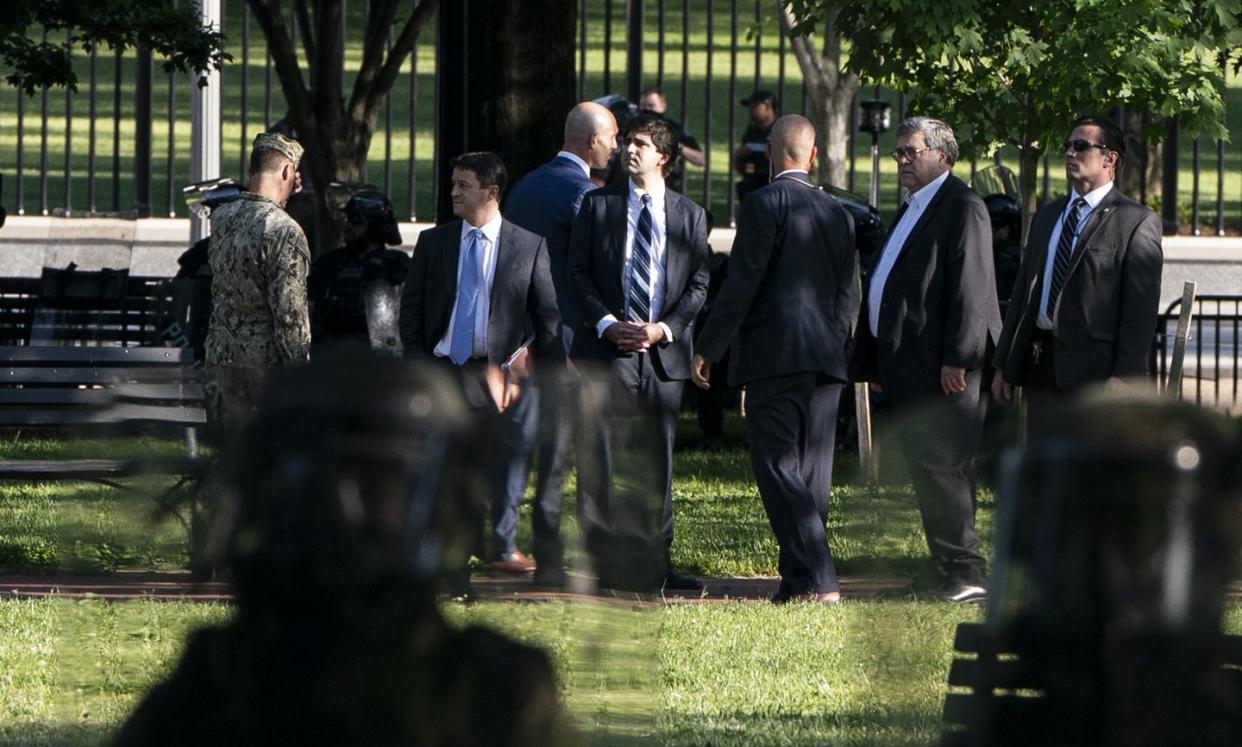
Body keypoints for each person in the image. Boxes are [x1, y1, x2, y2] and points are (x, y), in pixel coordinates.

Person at [113, 353, 580, 746]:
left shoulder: (498, 694)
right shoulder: (492, 694)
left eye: (376, 488)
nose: (341, 512)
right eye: (311, 486)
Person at [691, 115, 856, 605]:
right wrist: (840, 346)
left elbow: (742, 285)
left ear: (770, 155)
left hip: (775, 355)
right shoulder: (838, 212)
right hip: (826, 356)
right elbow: (849, 292)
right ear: (813, 155)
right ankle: (798, 580)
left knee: (778, 466)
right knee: (813, 473)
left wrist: (709, 347)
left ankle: (821, 577)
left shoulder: (764, 204)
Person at [848, 116, 1001, 604]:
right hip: (909, 365)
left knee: (945, 468)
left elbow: (971, 290)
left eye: (911, 151)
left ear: (943, 155)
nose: (902, 160)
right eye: (899, 153)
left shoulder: (962, 206)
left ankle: (966, 570)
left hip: (945, 369)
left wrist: (960, 357)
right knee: (926, 470)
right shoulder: (916, 206)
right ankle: (943, 566)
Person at [399, 151, 564, 574]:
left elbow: (547, 318)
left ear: (491, 192)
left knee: (506, 466)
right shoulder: (435, 243)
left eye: (463, 185)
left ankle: (500, 547)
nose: (453, 192)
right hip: (444, 371)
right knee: (445, 466)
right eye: (453, 184)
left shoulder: (528, 246)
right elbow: (412, 312)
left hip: (500, 376)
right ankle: (449, 554)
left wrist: (547, 375)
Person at [568, 113, 710, 592]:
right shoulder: (597, 205)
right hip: (610, 352)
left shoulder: (689, 215)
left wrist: (662, 330)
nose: (629, 150)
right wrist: (608, 325)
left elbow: (699, 283)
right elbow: (578, 273)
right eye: (627, 141)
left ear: (664, 157)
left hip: (662, 358)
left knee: (657, 463)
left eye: (642, 144)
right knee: (602, 458)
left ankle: (656, 562)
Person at [501, 102, 618, 586]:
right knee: (582, 457)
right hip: (573, 344)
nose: (616, 144)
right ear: (590, 141)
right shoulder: (582, 194)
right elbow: (598, 268)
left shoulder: (525, 186)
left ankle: (544, 558)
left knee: (543, 456)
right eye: (611, 136)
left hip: (528, 340)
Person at [991, 116, 1163, 414]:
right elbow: (1022, 294)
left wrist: (1123, 377)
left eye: (1081, 146)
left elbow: (1140, 313)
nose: (1070, 153)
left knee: (1088, 460)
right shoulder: (1047, 216)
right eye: (1068, 146)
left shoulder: (1136, 222)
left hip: (1095, 376)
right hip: (1040, 367)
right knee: (1042, 459)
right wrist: (1004, 363)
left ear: (1110, 158)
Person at [205, 131, 311, 436]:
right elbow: (290, 317)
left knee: (228, 457)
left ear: (251, 170)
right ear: (289, 172)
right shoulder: (285, 232)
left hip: (220, 359)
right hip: (264, 370)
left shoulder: (222, 218)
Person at [308, 189, 410, 353]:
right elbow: (309, 311)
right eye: (348, 219)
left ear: (376, 226)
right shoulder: (328, 264)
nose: (348, 226)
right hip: (330, 356)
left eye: (356, 221)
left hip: (378, 356)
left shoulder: (396, 265)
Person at [638, 87, 705, 194]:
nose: (646, 110)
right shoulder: (632, 127)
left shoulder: (673, 129)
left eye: (651, 106)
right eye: (643, 106)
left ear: (663, 106)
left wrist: (676, 145)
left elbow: (701, 159)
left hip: (667, 188)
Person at [733, 90, 778, 204]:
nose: (750, 110)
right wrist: (737, 155)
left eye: (754, 106)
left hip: (772, 188)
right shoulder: (751, 132)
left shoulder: (780, 130)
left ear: (767, 107)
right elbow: (740, 166)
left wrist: (773, 158)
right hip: (751, 186)